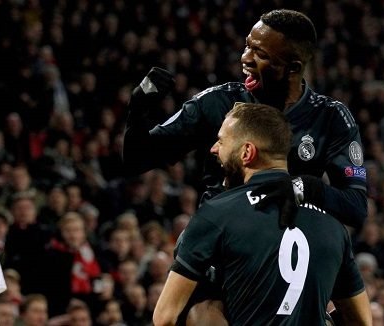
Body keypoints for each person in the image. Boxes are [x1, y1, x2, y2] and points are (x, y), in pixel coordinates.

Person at [122, 9, 367, 229]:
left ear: (292, 68)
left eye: (259, 53)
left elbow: (356, 208)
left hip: (280, 257)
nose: (245, 58)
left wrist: (305, 187)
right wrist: (138, 110)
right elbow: (136, 160)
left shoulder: (331, 117)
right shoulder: (216, 103)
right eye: (247, 46)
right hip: (216, 253)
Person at [153, 103, 371, 325]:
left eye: (221, 140)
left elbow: (164, 318)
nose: (214, 148)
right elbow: (362, 321)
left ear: (247, 152)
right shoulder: (333, 225)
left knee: (201, 309)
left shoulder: (217, 213)